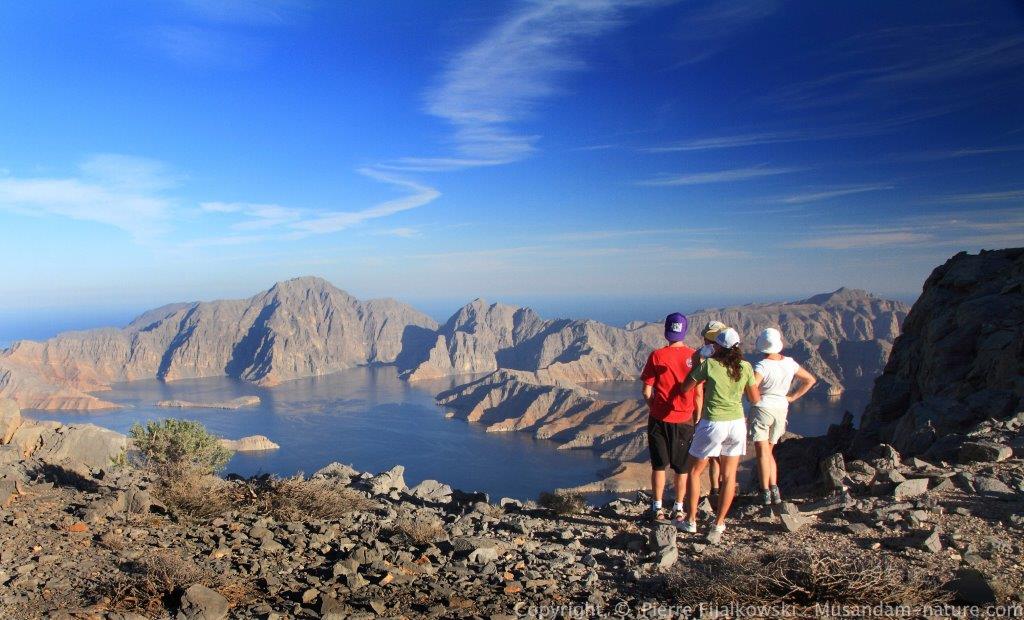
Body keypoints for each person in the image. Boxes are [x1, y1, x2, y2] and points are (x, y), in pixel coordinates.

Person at [675, 328, 760, 543]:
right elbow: (754, 398)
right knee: (730, 476)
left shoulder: (709, 365)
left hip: (713, 422)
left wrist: (697, 361)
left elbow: (686, 388)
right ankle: (719, 523)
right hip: (737, 424)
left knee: (694, 472)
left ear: (717, 346)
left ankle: (691, 520)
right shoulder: (746, 367)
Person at [640, 313, 703, 524]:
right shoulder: (695, 357)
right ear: (685, 331)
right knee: (682, 468)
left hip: (658, 419)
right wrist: (697, 416)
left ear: (667, 331)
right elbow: (699, 393)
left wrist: (654, 407)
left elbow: (646, 391)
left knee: (659, 466)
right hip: (685, 420)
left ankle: (657, 507)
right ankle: (678, 508)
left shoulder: (657, 355)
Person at [751, 327, 817, 505]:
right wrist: (792, 397)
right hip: (781, 409)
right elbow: (810, 380)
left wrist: (755, 400)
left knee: (762, 453)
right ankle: (774, 489)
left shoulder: (762, 366)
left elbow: (753, 387)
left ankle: (765, 492)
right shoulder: (790, 363)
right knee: (769, 451)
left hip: (763, 409)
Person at [695, 320, 728, 505]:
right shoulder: (734, 360)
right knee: (720, 456)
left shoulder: (707, 361)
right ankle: (719, 490)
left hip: (712, 413)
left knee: (710, 456)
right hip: (731, 414)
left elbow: (696, 386)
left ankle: (717, 491)